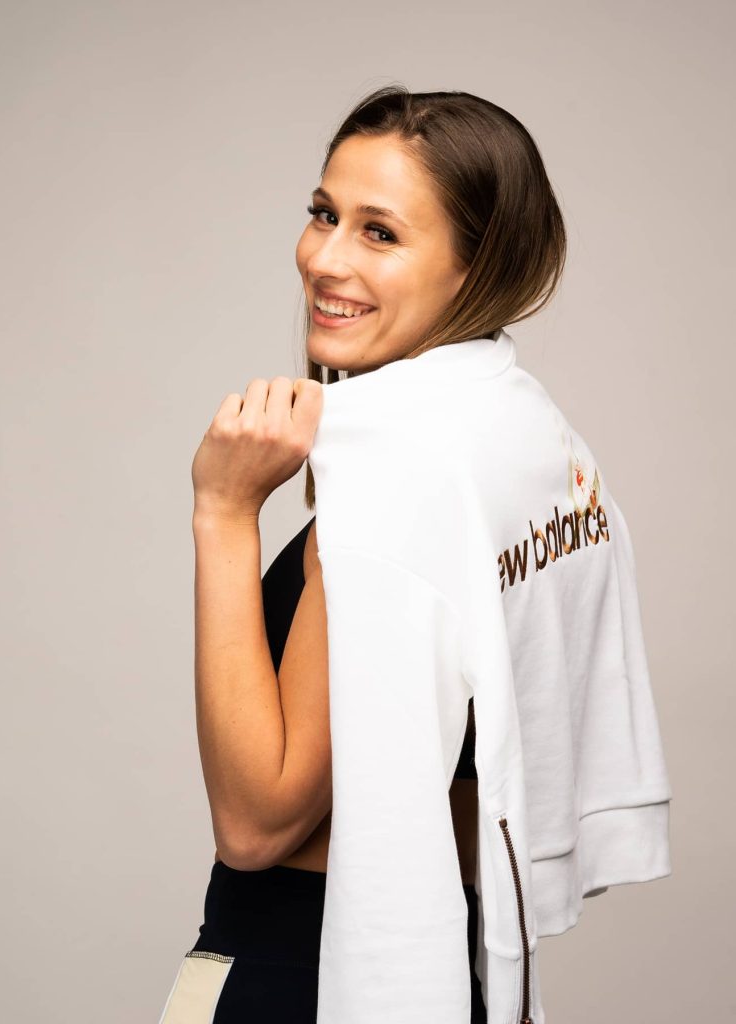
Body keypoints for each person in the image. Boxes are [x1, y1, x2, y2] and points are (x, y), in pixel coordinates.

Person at [158, 87, 669, 1024]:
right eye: (323, 214)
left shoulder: (400, 465)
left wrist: (222, 512)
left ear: (477, 266)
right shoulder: (524, 432)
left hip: (312, 970)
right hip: (448, 957)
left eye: (379, 233)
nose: (325, 258)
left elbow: (258, 822)